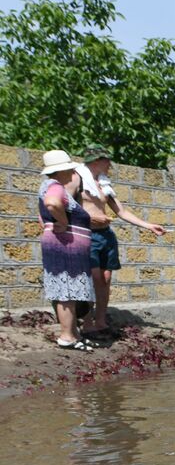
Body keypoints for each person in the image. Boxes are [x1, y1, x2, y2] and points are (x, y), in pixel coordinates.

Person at [77, 145, 166, 336]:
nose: (109, 164)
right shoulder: (77, 180)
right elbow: (69, 208)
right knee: (92, 278)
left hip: (105, 235)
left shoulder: (103, 183)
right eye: (106, 160)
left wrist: (148, 225)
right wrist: (89, 219)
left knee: (106, 278)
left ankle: (100, 320)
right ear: (95, 161)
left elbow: (121, 211)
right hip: (87, 234)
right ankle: (87, 322)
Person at [37, 150, 97, 350]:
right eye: (70, 168)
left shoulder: (52, 186)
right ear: (62, 170)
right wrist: (62, 221)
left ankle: (73, 334)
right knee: (65, 291)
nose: (73, 171)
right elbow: (52, 204)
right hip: (64, 247)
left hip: (65, 246)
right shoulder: (54, 187)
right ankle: (67, 337)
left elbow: (42, 217)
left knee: (69, 290)